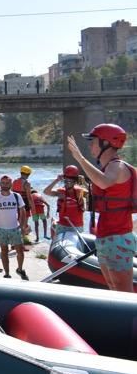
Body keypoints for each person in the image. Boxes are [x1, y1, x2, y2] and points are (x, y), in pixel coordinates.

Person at [68, 125, 136, 292]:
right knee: (113, 288)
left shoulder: (117, 166)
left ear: (105, 143)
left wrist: (80, 158)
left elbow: (104, 182)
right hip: (106, 236)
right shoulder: (108, 167)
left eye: (93, 141)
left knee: (123, 291)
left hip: (117, 237)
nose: (90, 145)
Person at [0, 176, 28, 280]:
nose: (4, 185)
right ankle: (7, 273)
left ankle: (20, 269)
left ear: (11, 184)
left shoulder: (17, 196)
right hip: (0, 229)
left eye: (7, 183)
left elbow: (23, 210)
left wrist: (22, 225)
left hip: (15, 227)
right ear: (0, 184)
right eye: (2, 183)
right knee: (4, 251)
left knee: (20, 251)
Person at [43, 165, 86, 236]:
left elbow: (93, 195)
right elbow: (46, 192)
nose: (68, 182)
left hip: (77, 226)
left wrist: (84, 183)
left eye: (70, 180)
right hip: (63, 225)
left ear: (75, 181)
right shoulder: (60, 192)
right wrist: (57, 180)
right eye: (66, 180)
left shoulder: (80, 191)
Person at [11, 166, 34, 243]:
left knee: (15, 224)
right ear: (28, 174)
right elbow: (29, 197)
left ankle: (13, 243)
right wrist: (33, 209)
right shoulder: (27, 184)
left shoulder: (14, 181)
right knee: (23, 225)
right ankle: (21, 243)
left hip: (15, 205)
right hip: (24, 205)